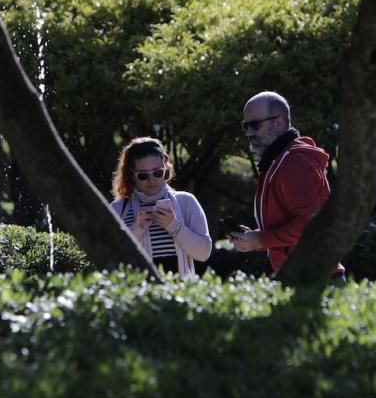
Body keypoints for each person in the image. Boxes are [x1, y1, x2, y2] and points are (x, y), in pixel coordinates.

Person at [229, 91, 346, 280]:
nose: (249, 132)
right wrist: (255, 238)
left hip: (314, 279)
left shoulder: (294, 162)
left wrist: (260, 240)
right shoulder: (278, 161)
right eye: (245, 126)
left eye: (255, 125)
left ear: (279, 122)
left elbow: (309, 227)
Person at [110, 137, 212, 276]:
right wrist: (136, 228)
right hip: (137, 293)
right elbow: (110, 259)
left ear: (166, 166)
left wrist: (174, 226)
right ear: (132, 175)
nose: (151, 180)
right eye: (143, 176)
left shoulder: (186, 202)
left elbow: (203, 253)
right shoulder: (118, 208)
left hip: (180, 293)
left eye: (157, 172)